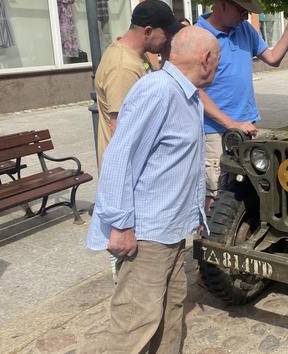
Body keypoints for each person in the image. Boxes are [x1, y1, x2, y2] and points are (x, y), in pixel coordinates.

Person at [87, 26, 220, 353]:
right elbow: (121, 158)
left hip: (171, 231)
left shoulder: (186, 95)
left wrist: (197, 210)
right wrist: (120, 224)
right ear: (205, 59)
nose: (218, 67)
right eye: (218, 61)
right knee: (134, 324)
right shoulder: (157, 91)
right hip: (146, 237)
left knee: (170, 313)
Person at [195, 0, 288, 208]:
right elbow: (195, 90)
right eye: (242, 10)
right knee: (215, 194)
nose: (246, 15)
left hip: (245, 125)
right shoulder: (197, 36)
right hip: (214, 132)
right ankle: (211, 240)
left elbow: (272, 59)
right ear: (222, 5)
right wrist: (230, 122)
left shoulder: (245, 30)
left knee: (249, 185)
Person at [95, 0, 183, 162]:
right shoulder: (123, 66)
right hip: (127, 170)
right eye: (166, 33)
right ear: (148, 31)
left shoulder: (129, 54)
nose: (169, 39)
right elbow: (120, 129)